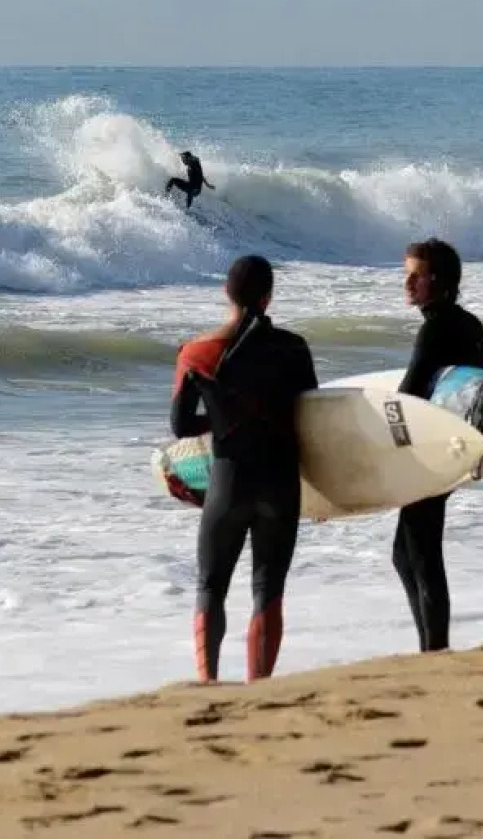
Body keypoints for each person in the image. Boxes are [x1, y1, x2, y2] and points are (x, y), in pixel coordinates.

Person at [170, 254, 318, 682]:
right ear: (269, 297)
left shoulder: (197, 352)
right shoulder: (293, 348)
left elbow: (181, 426)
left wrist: (220, 421)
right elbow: (311, 420)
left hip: (229, 483)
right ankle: (260, 688)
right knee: (268, 589)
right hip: (280, 484)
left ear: (225, 292)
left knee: (210, 586)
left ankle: (208, 681)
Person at [393, 237, 483, 653]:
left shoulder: (435, 328)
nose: (408, 283)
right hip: (452, 444)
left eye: (416, 276)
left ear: (438, 280)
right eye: (406, 274)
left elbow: (410, 392)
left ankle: (435, 650)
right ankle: (432, 645)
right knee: (409, 550)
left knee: (421, 552)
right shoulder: (471, 325)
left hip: (426, 450)